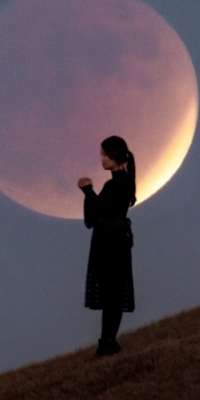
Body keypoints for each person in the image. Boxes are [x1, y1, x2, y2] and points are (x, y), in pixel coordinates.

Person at [76, 135, 136, 358]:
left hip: (110, 246)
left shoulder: (117, 184)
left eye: (104, 154)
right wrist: (90, 193)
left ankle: (107, 344)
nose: (101, 159)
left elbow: (94, 217)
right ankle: (108, 342)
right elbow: (95, 217)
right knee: (114, 296)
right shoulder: (122, 183)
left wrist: (89, 191)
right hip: (114, 244)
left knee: (113, 296)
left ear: (115, 155)